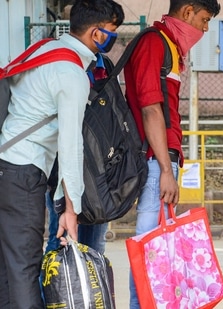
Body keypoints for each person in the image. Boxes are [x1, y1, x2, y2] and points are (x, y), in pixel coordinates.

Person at [0, 0, 124, 307]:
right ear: (97, 33)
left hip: (5, 163)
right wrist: (71, 208)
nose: (113, 38)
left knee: (7, 267)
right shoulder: (72, 74)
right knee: (26, 269)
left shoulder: (42, 50)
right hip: (23, 173)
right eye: (112, 31)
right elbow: (71, 145)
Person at [123, 0, 220, 307]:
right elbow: (151, 108)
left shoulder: (172, 48)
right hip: (156, 159)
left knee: (159, 246)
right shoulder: (155, 43)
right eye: (204, 20)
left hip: (163, 158)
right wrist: (165, 169)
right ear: (187, 11)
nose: (205, 29)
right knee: (149, 244)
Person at [45, 50, 121, 254]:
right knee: (60, 240)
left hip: (99, 169)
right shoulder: (64, 64)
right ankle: (57, 285)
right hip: (63, 168)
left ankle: (89, 285)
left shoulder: (105, 66)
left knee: (94, 247)